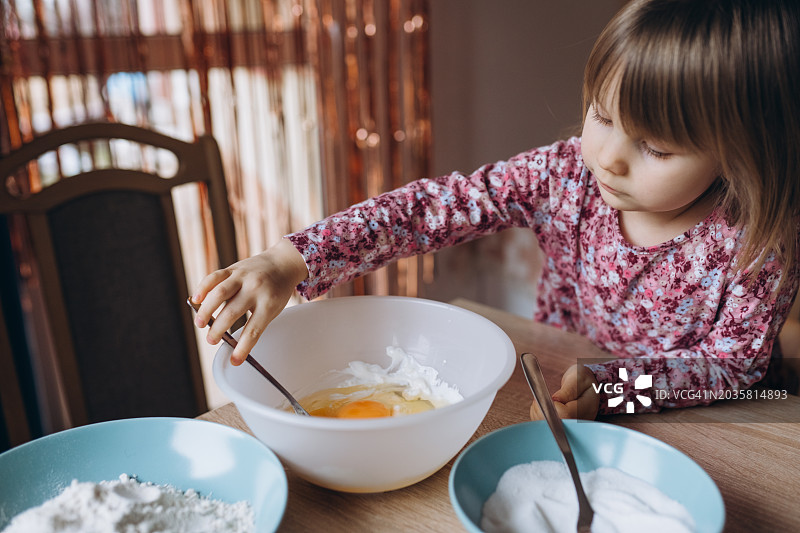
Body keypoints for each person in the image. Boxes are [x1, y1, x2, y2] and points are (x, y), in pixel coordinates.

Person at [192, 0, 800, 420]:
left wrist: (615, 390)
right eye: (601, 113)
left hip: (709, 418)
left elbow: (732, 370)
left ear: (741, 151)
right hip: (563, 369)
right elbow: (430, 209)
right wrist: (292, 257)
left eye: (657, 147)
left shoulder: (760, 239)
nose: (608, 158)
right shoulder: (565, 174)